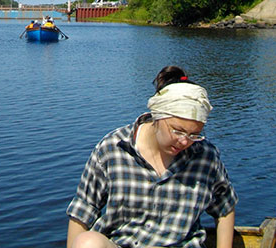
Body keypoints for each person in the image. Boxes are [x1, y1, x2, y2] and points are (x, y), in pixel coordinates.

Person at [66, 66, 237, 248]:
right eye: (177, 130)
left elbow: (224, 208)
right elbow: (83, 211)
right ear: (157, 116)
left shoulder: (205, 156)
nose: (184, 141)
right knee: (88, 242)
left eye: (194, 134)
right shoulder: (112, 149)